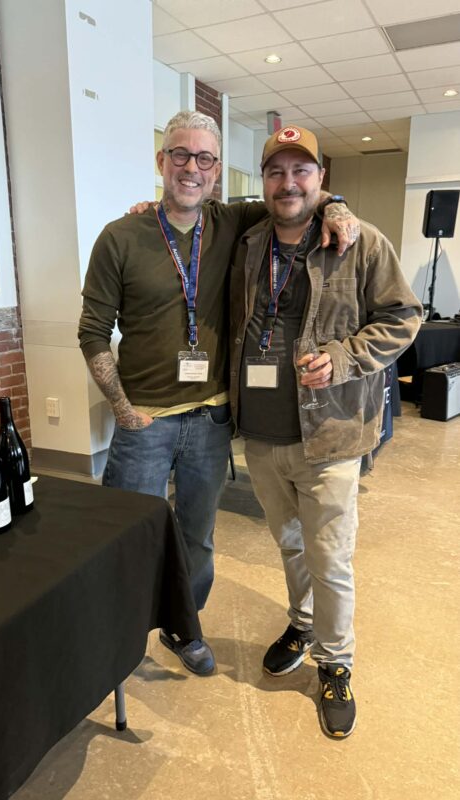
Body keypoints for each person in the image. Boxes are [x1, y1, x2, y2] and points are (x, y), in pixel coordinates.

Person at [78, 111, 359, 677]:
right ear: (161, 161)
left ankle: (185, 626)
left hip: (210, 419)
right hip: (144, 421)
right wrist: (123, 410)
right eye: (181, 154)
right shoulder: (120, 236)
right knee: (127, 533)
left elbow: (296, 196)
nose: (192, 167)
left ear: (216, 170)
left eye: (205, 158)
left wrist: (338, 205)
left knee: (197, 537)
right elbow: (92, 331)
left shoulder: (231, 221)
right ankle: (119, 633)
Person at [230, 124, 422, 736]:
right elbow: (193, 209)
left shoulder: (360, 242)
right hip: (260, 435)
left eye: (301, 171)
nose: (288, 183)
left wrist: (344, 357)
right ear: (263, 181)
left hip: (330, 434)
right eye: (276, 171)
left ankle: (336, 663)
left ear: (321, 178)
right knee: (290, 543)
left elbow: (404, 316)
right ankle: (303, 622)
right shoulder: (248, 240)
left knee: (330, 557)